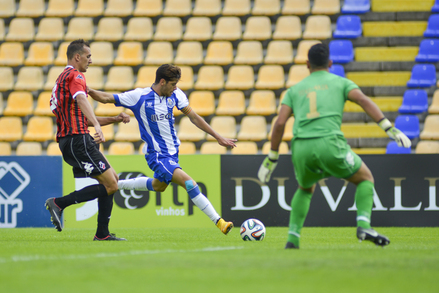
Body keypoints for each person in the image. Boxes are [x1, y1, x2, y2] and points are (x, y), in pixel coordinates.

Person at [258, 43, 411, 249]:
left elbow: (279, 124)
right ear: (330, 63)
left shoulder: (294, 90)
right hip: (329, 143)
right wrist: (388, 128)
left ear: (307, 64)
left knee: (305, 188)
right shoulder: (340, 83)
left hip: (301, 147)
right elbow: (363, 100)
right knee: (365, 178)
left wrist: (272, 157)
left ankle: (293, 239)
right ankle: (364, 225)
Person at [88, 64, 237, 235]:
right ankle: (219, 222)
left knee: (158, 186)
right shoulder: (139, 96)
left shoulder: (176, 94)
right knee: (190, 183)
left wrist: (218, 137)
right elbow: (107, 98)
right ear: (162, 82)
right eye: (173, 84)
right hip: (157, 156)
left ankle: (116, 185)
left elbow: (194, 117)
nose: (175, 88)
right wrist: (88, 90)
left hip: (173, 154)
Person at [45, 39, 131, 241]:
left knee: (113, 180)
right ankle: (59, 203)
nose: (90, 61)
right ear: (77, 57)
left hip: (73, 140)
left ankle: (102, 233)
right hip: (78, 140)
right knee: (111, 184)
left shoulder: (62, 78)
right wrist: (98, 126)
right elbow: (82, 100)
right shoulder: (75, 76)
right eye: (88, 56)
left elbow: (80, 116)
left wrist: (114, 119)